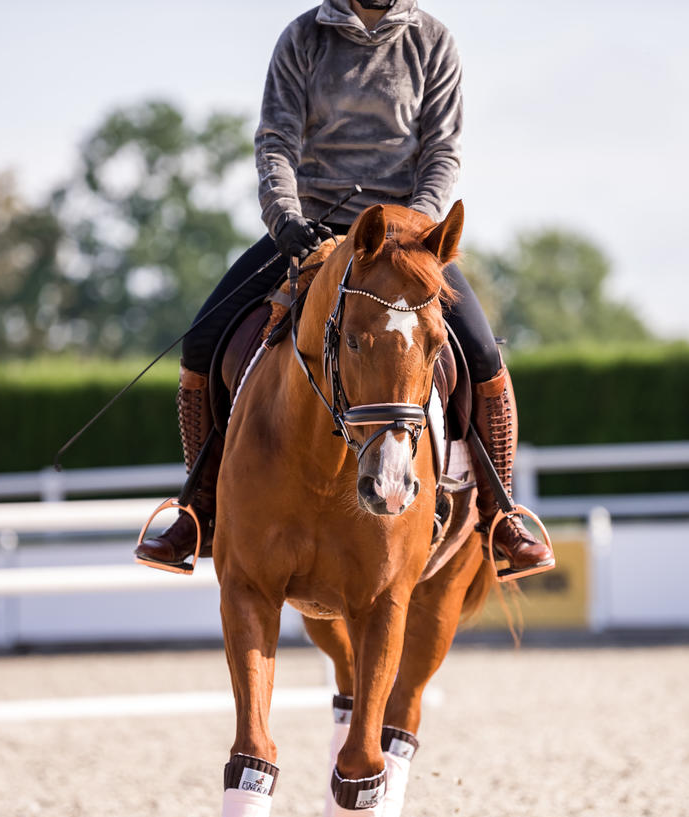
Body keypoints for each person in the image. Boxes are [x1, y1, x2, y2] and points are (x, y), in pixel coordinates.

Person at [135, 0, 554, 578]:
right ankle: (199, 508)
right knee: (202, 344)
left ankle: (501, 515)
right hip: (313, 229)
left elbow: (441, 151)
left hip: (406, 240)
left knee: (483, 356)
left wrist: (418, 230)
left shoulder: (433, 41)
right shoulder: (302, 37)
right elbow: (276, 142)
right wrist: (284, 218)